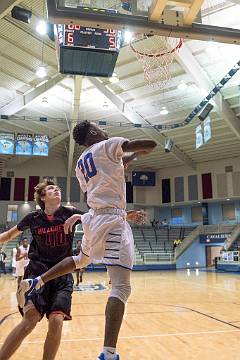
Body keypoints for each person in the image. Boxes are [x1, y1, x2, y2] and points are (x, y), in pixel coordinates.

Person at [19, 120, 156, 360]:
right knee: (121, 286)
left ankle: (38, 280)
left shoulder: (81, 163)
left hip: (92, 217)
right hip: (112, 219)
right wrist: (134, 147)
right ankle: (108, 353)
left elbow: (102, 177)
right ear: (93, 132)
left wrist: (128, 159)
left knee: (80, 260)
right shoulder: (109, 144)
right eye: (100, 128)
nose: (105, 130)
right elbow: (149, 144)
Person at [0, 179, 84, 360]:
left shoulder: (70, 213)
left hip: (62, 276)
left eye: (57, 188)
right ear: (43, 197)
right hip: (36, 274)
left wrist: (124, 216)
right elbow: (8, 235)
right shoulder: (34, 218)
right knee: (29, 321)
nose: (56, 190)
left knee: (56, 322)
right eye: (51, 189)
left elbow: (99, 220)